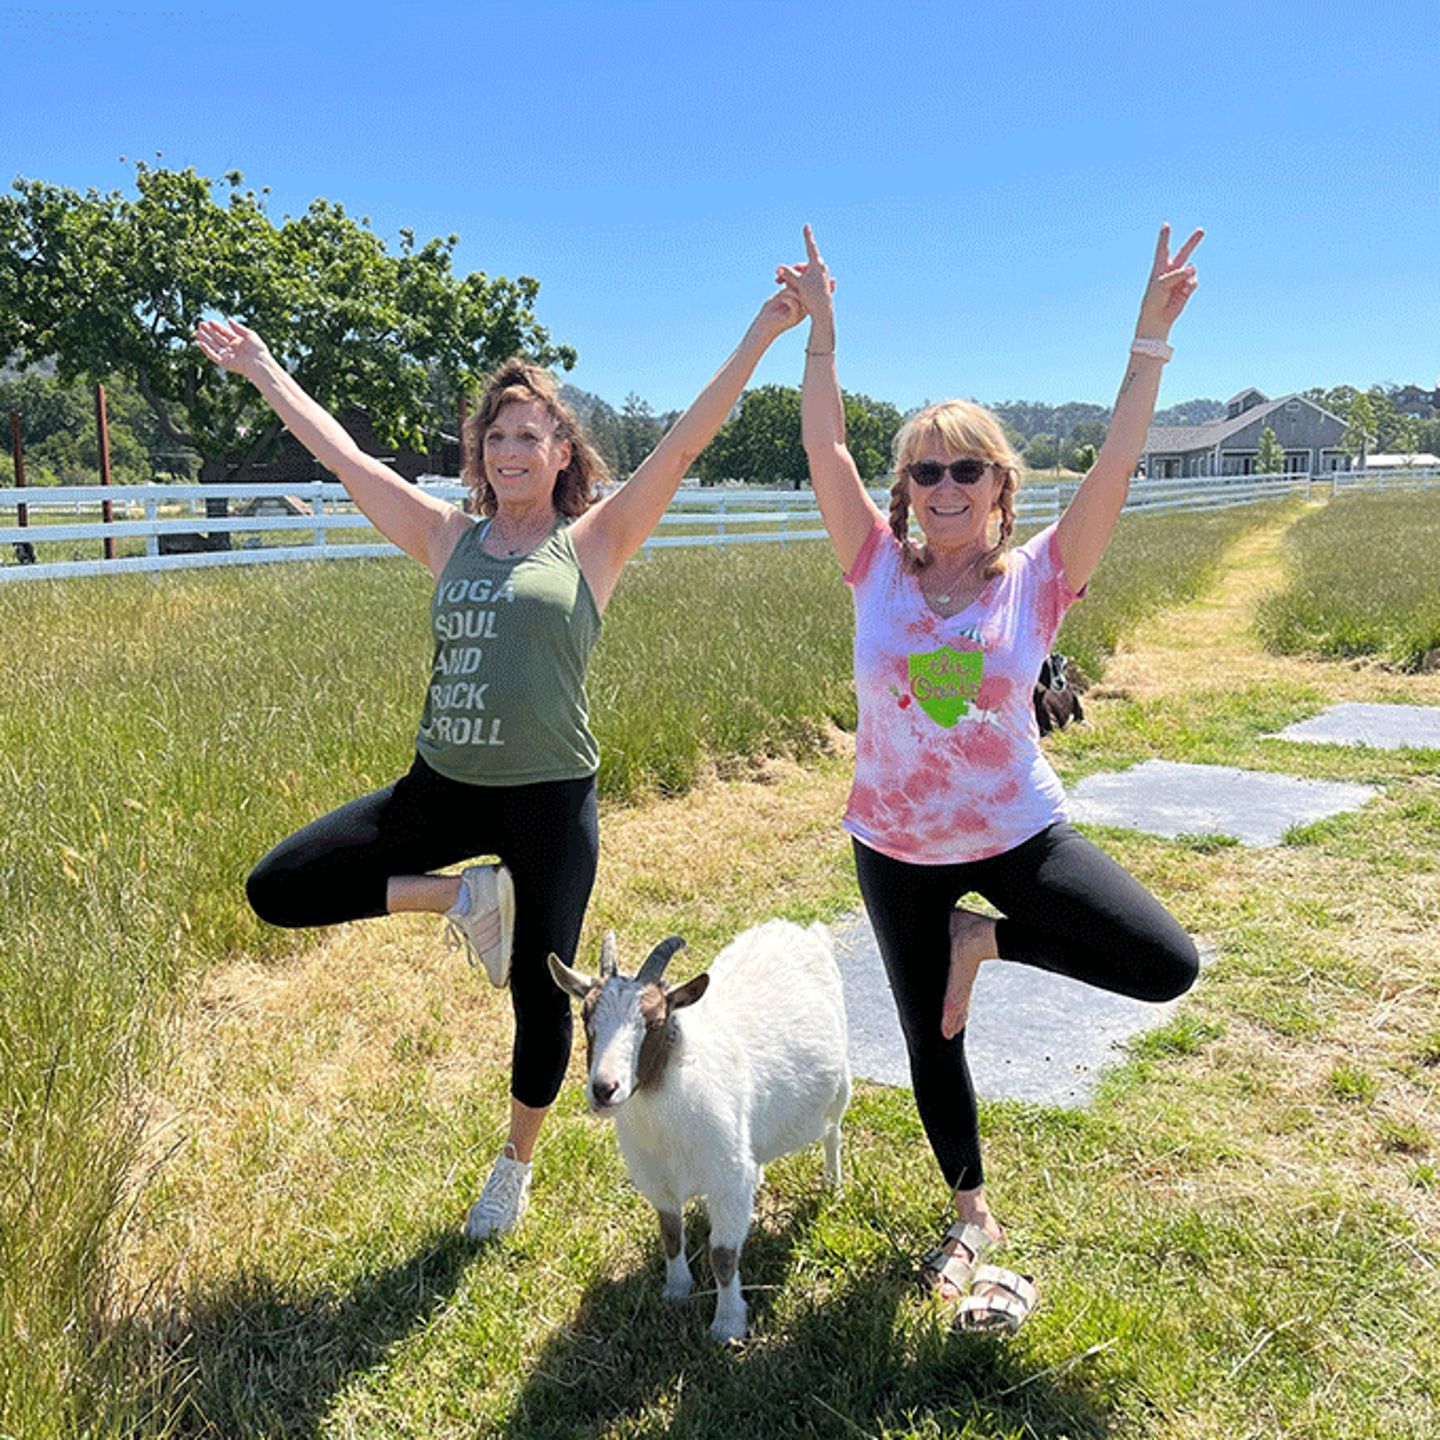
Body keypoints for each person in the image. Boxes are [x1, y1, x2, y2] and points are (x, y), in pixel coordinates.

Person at [194, 288, 802, 1240]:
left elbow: (684, 443)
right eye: (496, 438)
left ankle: (513, 1168)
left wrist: (763, 333)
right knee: (281, 885)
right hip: (442, 787)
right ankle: (469, 900)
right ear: (478, 455)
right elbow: (346, 458)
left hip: (550, 801)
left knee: (538, 996)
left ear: (564, 455)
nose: (511, 452)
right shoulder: (446, 537)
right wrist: (264, 368)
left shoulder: (592, 543)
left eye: (531, 437)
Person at [779, 223, 1204, 1331]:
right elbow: (825, 453)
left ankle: (988, 938)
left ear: (1000, 484)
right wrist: (823, 337)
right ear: (908, 489)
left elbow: (1115, 462)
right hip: (895, 844)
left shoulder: (1044, 575)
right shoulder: (873, 564)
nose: (945, 482)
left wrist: (1146, 344)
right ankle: (971, 1212)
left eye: (967, 465)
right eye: (925, 468)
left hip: (1019, 833)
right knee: (935, 1041)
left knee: (1164, 963)